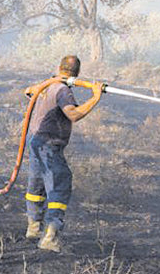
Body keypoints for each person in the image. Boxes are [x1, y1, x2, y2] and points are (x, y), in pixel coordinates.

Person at [22, 55, 105, 252]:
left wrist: (39, 87)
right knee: (60, 185)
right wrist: (95, 97)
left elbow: (28, 91)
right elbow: (73, 115)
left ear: (59, 68)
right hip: (49, 145)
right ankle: (50, 238)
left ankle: (33, 228)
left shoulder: (49, 84)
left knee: (37, 185)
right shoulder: (62, 90)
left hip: (35, 142)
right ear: (77, 73)